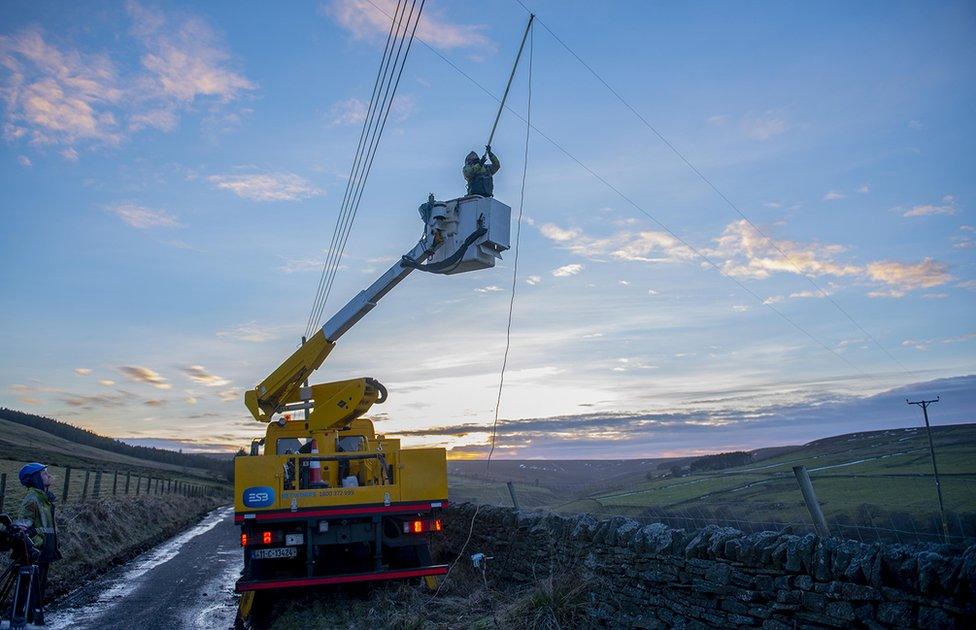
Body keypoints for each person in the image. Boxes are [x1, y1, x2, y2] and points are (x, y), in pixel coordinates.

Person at [18, 462, 62, 625]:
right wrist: (38, 544)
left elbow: (47, 527)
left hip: (44, 555)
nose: (48, 476)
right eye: (44, 474)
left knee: (38, 594)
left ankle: (33, 622)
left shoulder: (43, 499)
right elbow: (24, 528)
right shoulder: (32, 499)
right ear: (35, 478)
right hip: (35, 555)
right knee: (31, 595)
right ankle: (27, 623)